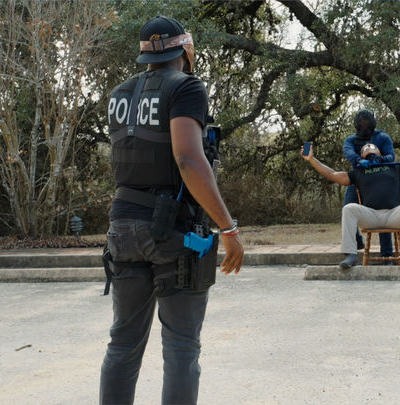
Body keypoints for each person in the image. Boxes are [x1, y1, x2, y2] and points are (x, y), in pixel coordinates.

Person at [100, 16, 243, 405]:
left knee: (123, 343)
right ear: (186, 49)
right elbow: (187, 159)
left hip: (122, 228)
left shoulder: (119, 93)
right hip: (172, 233)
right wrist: (228, 228)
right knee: (181, 346)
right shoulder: (186, 87)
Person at [303, 119, 400, 269]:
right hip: (371, 215)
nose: (369, 147)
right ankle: (351, 255)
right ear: (361, 156)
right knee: (348, 208)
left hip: (393, 214)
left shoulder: (394, 167)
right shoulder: (359, 171)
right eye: (365, 148)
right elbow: (333, 174)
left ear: (380, 152)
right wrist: (312, 160)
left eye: (372, 146)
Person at [343, 109, 396, 257]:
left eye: (367, 124)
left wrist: (380, 159)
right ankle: (356, 243)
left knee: (382, 212)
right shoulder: (350, 141)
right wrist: (360, 160)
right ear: (357, 125)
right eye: (362, 124)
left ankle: (387, 254)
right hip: (358, 180)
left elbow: (391, 156)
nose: (365, 127)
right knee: (347, 209)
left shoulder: (383, 137)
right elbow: (348, 153)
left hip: (379, 180)